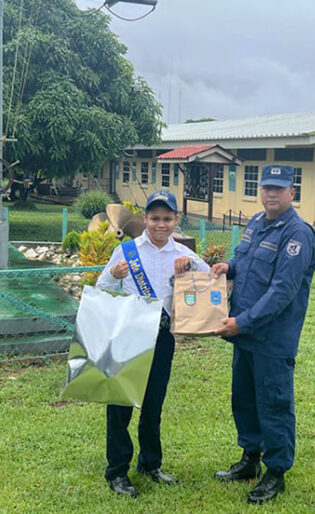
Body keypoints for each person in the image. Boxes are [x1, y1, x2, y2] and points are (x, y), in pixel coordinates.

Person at [209, 164, 315, 505]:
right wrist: (228, 266)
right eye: (266, 188)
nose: (271, 194)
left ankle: (276, 472)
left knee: (273, 403)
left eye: (279, 188)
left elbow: (282, 292)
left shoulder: (297, 235)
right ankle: (250, 459)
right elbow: (246, 261)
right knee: (244, 398)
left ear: (292, 193)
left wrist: (241, 322)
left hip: (272, 338)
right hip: (245, 335)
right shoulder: (257, 223)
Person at [96, 190, 210, 498]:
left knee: (153, 404)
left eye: (167, 218)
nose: (161, 224)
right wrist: (112, 274)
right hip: (129, 334)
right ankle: (117, 471)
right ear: (145, 219)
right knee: (120, 404)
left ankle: (150, 463)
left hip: (161, 337)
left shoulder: (182, 255)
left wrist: (190, 272)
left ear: (176, 220)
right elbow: (101, 288)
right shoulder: (127, 250)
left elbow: (211, 281)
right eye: (155, 218)